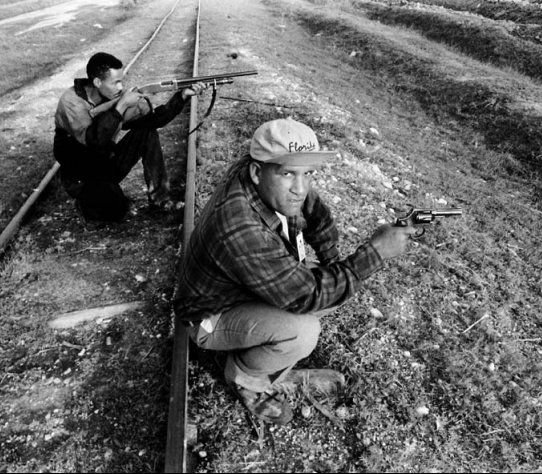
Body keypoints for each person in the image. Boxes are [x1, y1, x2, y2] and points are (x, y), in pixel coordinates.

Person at [174, 118, 416, 425]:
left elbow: (316, 214)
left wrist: (330, 260)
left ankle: (263, 345)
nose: (300, 188)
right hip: (209, 316)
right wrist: (377, 252)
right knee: (303, 331)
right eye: (289, 173)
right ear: (257, 172)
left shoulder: (266, 178)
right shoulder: (240, 226)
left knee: (333, 287)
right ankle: (245, 377)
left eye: (308, 173)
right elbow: (307, 295)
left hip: (237, 287)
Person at [53, 52, 207, 221]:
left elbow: (153, 120)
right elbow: (93, 141)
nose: (121, 88)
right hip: (82, 173)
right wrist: (121, 107)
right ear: (97, 82)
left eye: (121, 81)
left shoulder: (112, 96)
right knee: (115, 212)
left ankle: (160, 199)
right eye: (115, 82)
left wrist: (182, 96)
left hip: (105, 161)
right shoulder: (71, 103)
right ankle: (86, 201)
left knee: (146, 132)